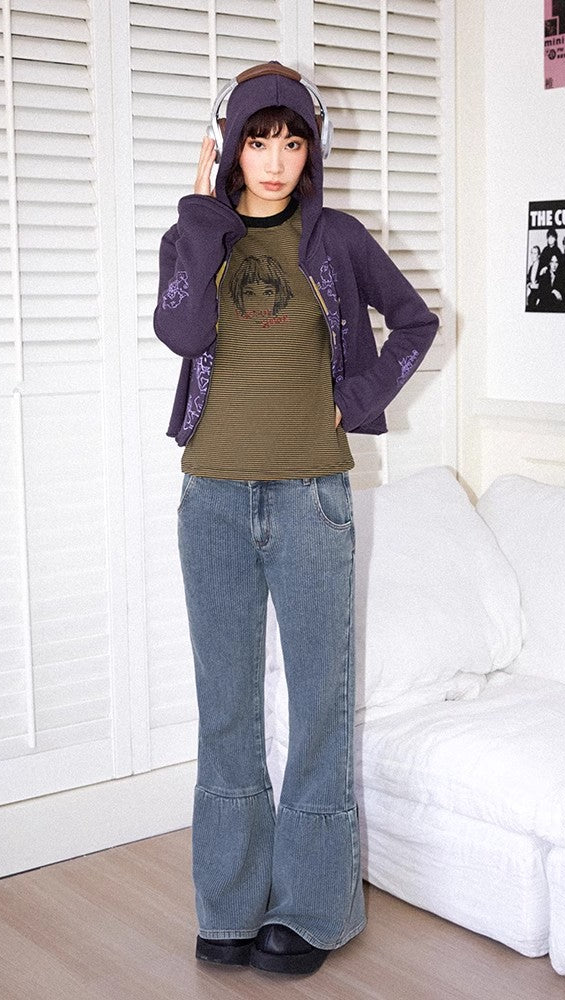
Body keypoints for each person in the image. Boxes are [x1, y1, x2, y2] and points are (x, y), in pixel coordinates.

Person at [153, 62, 438, 976]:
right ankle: (229, 906)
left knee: (319, 706)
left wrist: (357, 398)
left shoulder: (337, 238)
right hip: (212, 500)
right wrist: (202, 217)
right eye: (257, 140)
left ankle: (314, 911)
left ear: (311, 150)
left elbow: (416, 323)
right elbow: (180, 332)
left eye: (291, 141)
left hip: (312, 497)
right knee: (225, 711)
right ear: (229, 147)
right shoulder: (195, 237)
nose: (275, 161)